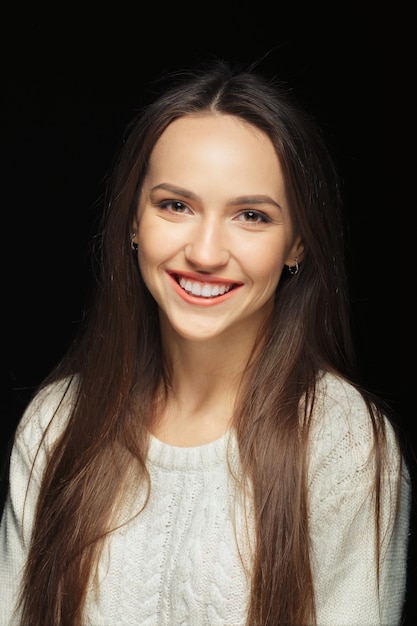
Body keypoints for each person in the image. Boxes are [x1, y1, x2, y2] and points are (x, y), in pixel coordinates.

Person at [0, 58, 411, 626]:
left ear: (297, 244)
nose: (207, 252)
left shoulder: (344, 444)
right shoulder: (57, 422)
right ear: (133, 222)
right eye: (176, 205)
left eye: (251, 215)